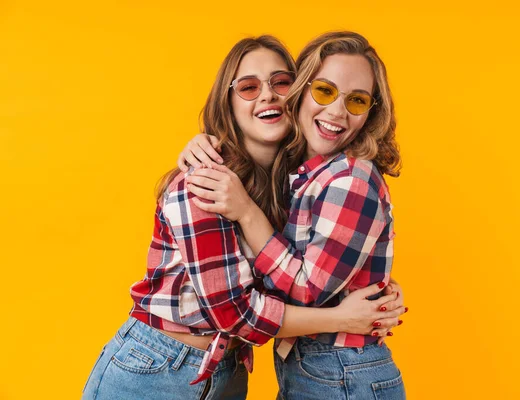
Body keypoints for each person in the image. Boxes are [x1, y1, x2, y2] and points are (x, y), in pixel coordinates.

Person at [82, 35, 404, 400]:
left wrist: (374, 286)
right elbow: (233, 313)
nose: (267, 95)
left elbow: (303, 269)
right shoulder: (205, 181)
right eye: (248, 87)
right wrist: (343, 319)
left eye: (280, 82)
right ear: (228, 104)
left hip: (226, 372)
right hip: (155, 369)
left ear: (297, 93)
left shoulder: (294, 186)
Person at [181, 31, 407, 399]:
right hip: (318, 367)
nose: (337, 111)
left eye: (357, 100)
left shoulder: (350, 178)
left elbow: (307, 289)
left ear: (370, 113)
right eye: (324, 91)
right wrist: (203, 141)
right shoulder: (302, 173)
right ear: (301, 91)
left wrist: (246, 211)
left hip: (340, 370)